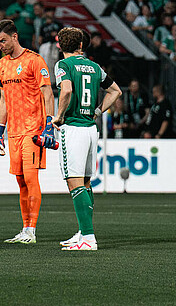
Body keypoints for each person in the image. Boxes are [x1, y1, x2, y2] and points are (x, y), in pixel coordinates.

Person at [43, 28, 121, 251]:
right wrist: (97, 112)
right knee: (86, 183)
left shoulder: (63, 66)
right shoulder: (94, 66)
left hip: (74, 127)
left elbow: (65, 90)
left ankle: (88, 237)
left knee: (74, 182)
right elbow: (115, 91)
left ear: (61, 46)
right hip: (90, 127)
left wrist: (58, 116)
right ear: (81, 46)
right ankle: (82, 232)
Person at [0, 19, 54, 244]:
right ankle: (25, 228)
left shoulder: (35, 60)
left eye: (3, 41)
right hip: (14, 131)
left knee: (30, 177)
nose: (0, 45)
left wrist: (49, 124)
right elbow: (3, 99)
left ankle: (32, 231)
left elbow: (48, 93)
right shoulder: (1, 64)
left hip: (33, 128)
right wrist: (0, 130)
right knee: (20, 180)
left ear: (15, 37)